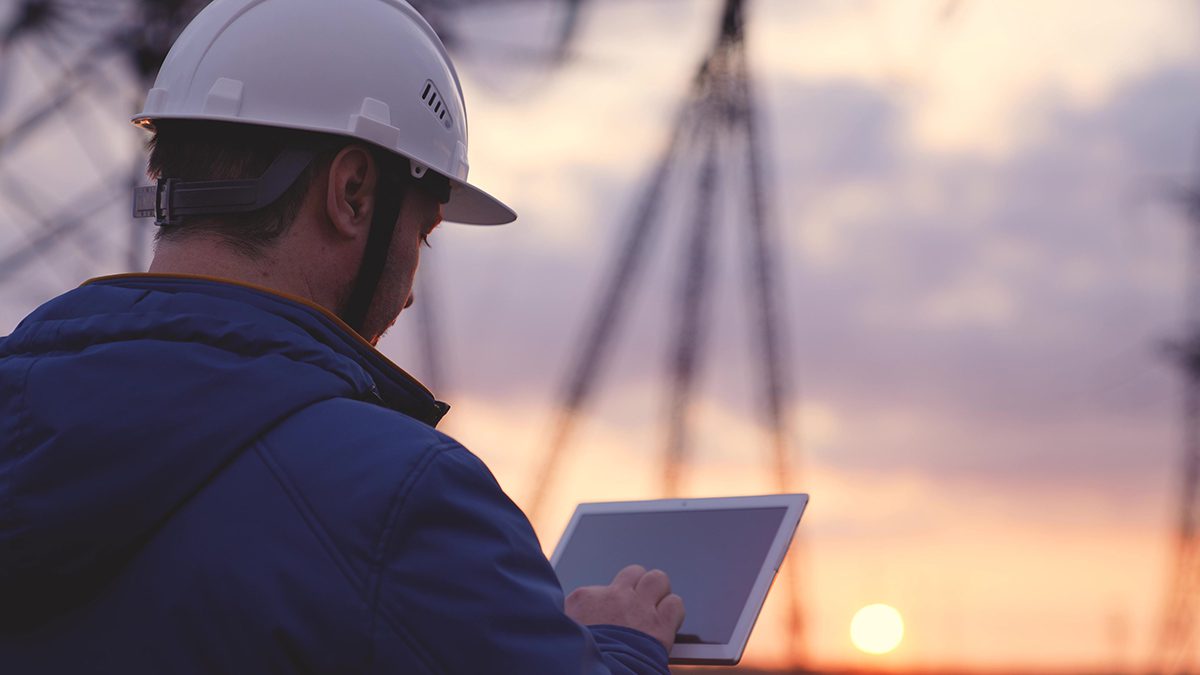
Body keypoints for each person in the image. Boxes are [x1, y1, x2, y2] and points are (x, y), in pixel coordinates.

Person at [0, 0, 684, 672]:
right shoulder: (404, 499)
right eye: (421, 233)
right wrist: (623, 647)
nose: (411, 290)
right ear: (353, 192)